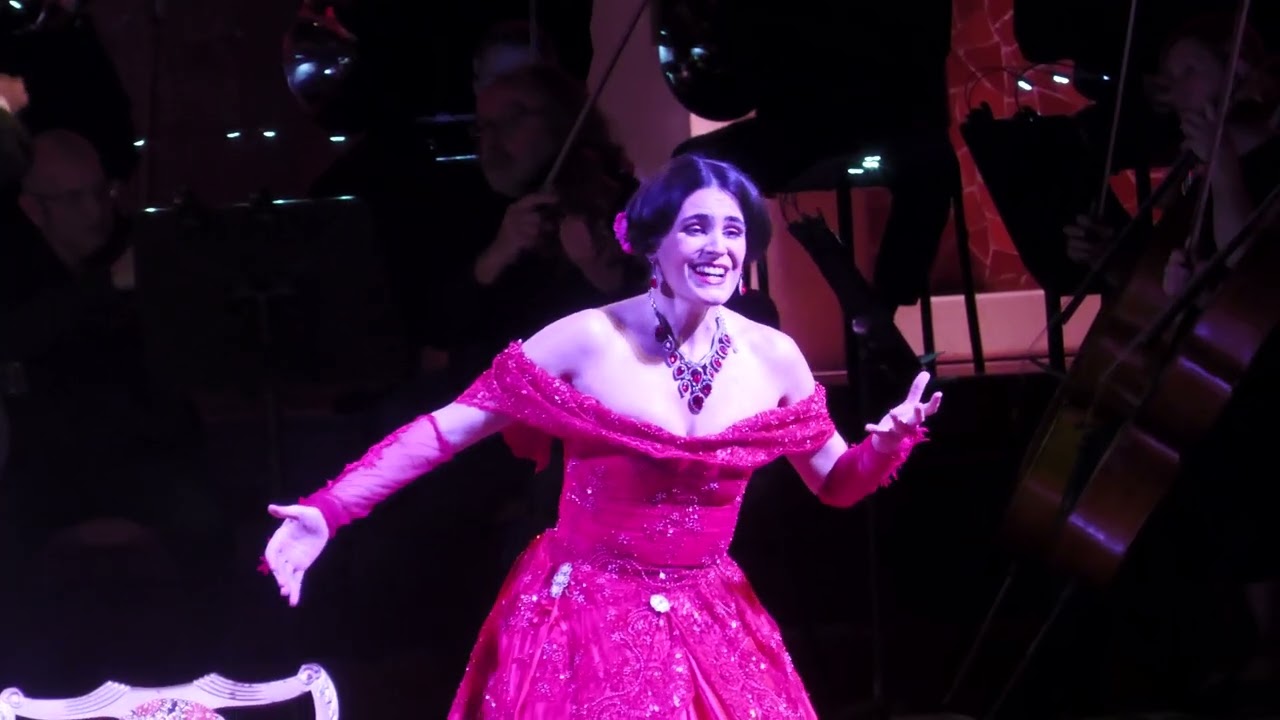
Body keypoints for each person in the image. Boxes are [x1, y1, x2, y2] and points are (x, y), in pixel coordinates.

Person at [262, 155, 942, 717]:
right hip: (583, 616)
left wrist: (885, 446)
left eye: (733, 231)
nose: (718, 248)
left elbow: (835, 483)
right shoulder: (588, 339)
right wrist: (330, 509)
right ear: (652, 243)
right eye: (696, 228)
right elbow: (449, 429)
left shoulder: (775, 357)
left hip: (711, 614)